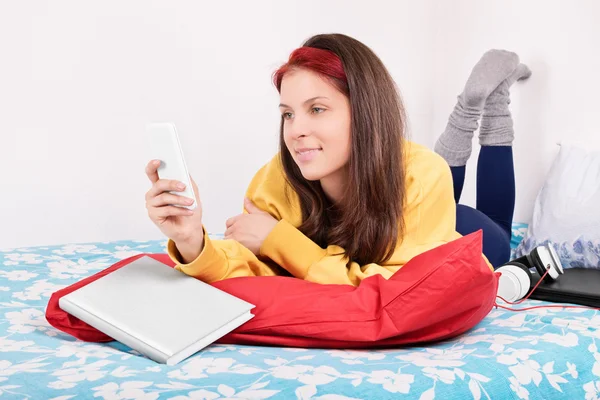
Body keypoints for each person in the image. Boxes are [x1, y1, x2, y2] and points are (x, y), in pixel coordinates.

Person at [144, 33, 529, 286]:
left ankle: (484, 103)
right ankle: (476, 102)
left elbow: (395, 290)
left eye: (316, 109)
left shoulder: (423, 176)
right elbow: (253, 271)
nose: (294, 131)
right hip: (406, 203)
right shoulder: (276, 178)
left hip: (451, 231)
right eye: (288, 114)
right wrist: (192, 239)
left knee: (500, 232)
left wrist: (279, 239)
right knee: (433, 172)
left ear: (364, 111)